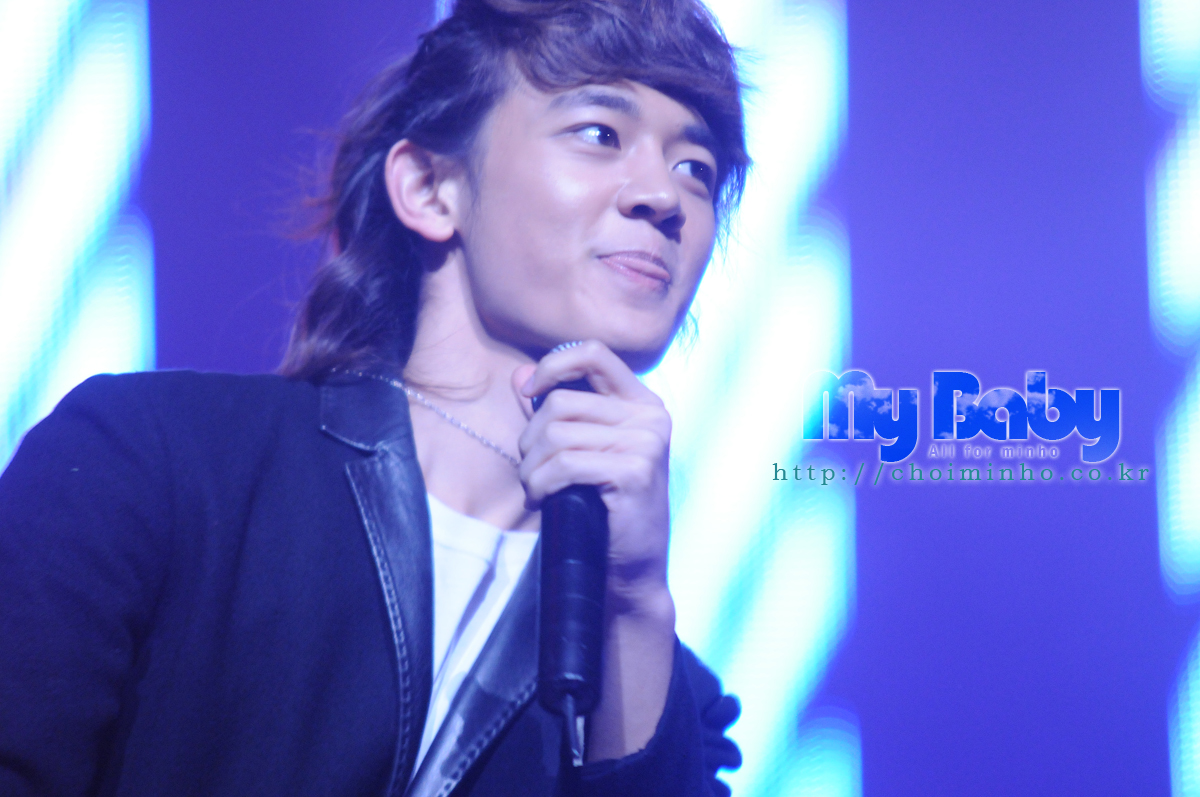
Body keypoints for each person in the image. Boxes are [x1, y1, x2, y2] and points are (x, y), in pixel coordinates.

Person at [0, 0, 749, 794]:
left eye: (696, 169)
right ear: (429, 187)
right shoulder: (150, 462)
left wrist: (633, 601)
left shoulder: (678, 699)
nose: (663, 196)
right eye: (599, 133)